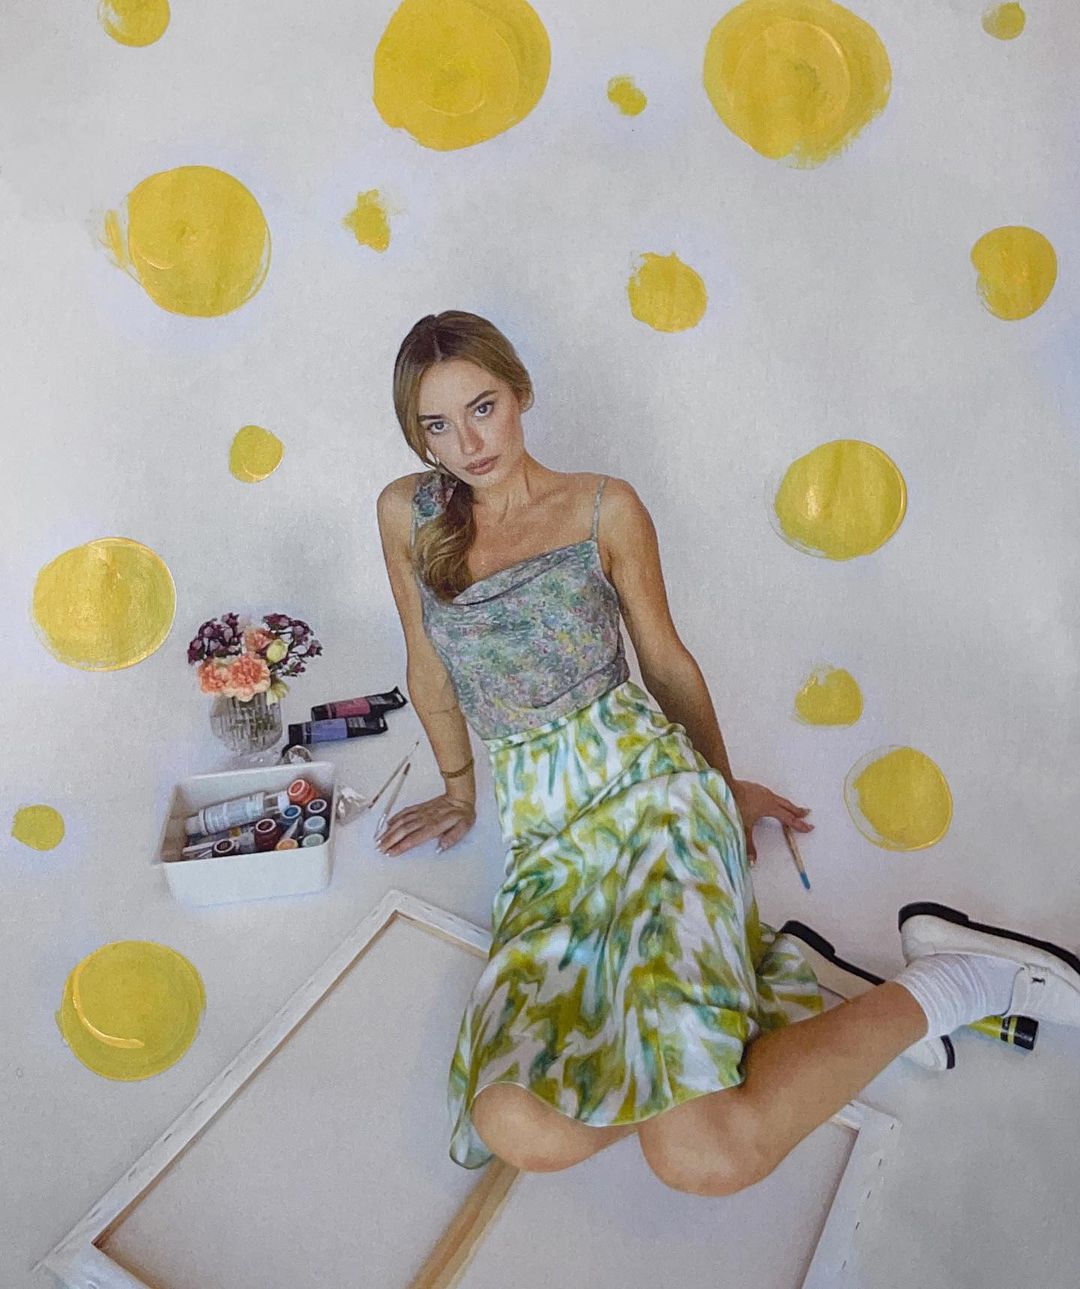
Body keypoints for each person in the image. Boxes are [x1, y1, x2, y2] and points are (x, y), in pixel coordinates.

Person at [375, 309, 1080, 1194]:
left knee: (699, 1152)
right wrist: (458, 789)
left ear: (520, 393)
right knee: (516, 1124)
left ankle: (957, 978)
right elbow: (425, 663)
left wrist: (719, 786)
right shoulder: (407, 514)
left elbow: (666, 662)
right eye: (438, 424)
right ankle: (781, 1014)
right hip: (546, 837)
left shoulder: (603, 507)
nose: (469, 443)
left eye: (483, 407)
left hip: (653, 795)